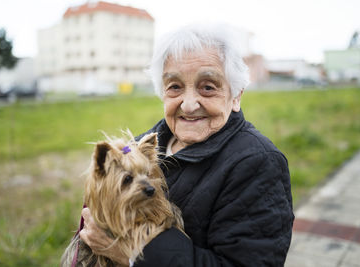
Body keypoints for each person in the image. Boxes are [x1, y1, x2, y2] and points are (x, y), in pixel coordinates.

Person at [79, 23, 294, 266]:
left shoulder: (258, 163)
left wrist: (130, 254)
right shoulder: (136, 148)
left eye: (208, 87)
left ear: (236, 96)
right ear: (163, 93)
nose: (189, 104)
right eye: (175, 87)